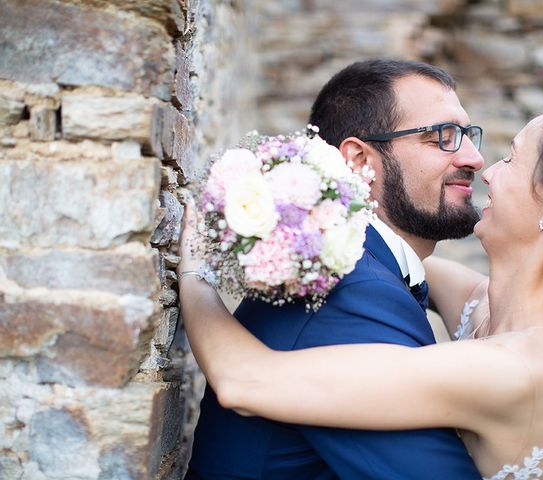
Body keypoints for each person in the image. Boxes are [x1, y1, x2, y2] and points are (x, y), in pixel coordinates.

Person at [179, 97, 543, 479]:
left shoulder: (516, 370)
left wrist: (196, 269)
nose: (487, 172)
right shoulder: (489, 305)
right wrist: (316, 200)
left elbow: (244, 381)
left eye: (512, 158)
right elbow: (391, 246)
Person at [183, 59, 485, 479]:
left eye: (469, 136)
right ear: (359, 160)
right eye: (444, 137)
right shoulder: (356, 292)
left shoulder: (347, 265)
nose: (475, 158)